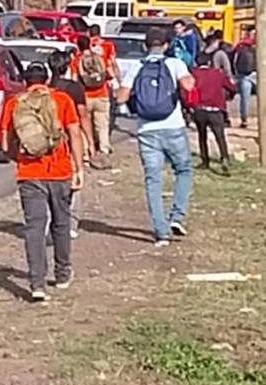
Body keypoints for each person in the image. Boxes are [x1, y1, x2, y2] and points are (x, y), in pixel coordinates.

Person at [0, 63, 84, 302]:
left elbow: (5, 144)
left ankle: (37, 283)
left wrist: (20, 157)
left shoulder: (14, 103)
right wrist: (78, 167)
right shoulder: (62, 99)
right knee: (61, 223)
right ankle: (62, 273)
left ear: (25, 81)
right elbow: (74, 133)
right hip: (60, 171)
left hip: (29, 173)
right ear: (46, 80)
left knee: (34, 227)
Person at [116, 28, 196, 247]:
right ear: (166, 45)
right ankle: (176, 216)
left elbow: (121, 97)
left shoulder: (137, 67)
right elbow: (188, 85)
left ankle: (161, 231)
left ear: (145, 46)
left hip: (146, 131)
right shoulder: (175, 64)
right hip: (173, 126)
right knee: (183, 170)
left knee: (153, 179)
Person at [48, 50, 89, 239]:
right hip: (71, 137)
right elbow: (82, 115)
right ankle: (71, 223)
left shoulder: (46, 87)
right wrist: (90, 140)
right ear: (67, 66)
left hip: (50, 138)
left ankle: (53, 220)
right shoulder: (74, 88)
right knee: (75, 181)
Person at [187, 52, 235, 175]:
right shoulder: (217, 74)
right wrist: (230, 95)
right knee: (220, 136)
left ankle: (205, 160)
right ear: (209, 62)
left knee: (202, 135)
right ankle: (224, 158)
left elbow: (186, 90)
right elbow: (231, 87)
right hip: (215, 109)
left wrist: (189, 107)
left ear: (196, 63)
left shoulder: (193, 74)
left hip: (199, 109)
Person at [71, 34, 114, 163]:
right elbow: (110, 74)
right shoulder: (99, 57)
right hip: (102, 94)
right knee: (103, 125)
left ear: (78, 46)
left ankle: (86, 152)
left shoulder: (77, 60)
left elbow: (74, 79)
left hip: (85, 97)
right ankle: (104, 148)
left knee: (85, 125)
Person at [233, 27, 256, 128]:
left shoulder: (240, 46)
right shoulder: (242, 46)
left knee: (244, 99)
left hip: (246, 75)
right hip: (246, 75)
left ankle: (244, 119)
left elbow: (234, 61)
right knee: (244, 99)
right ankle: (244, 119)